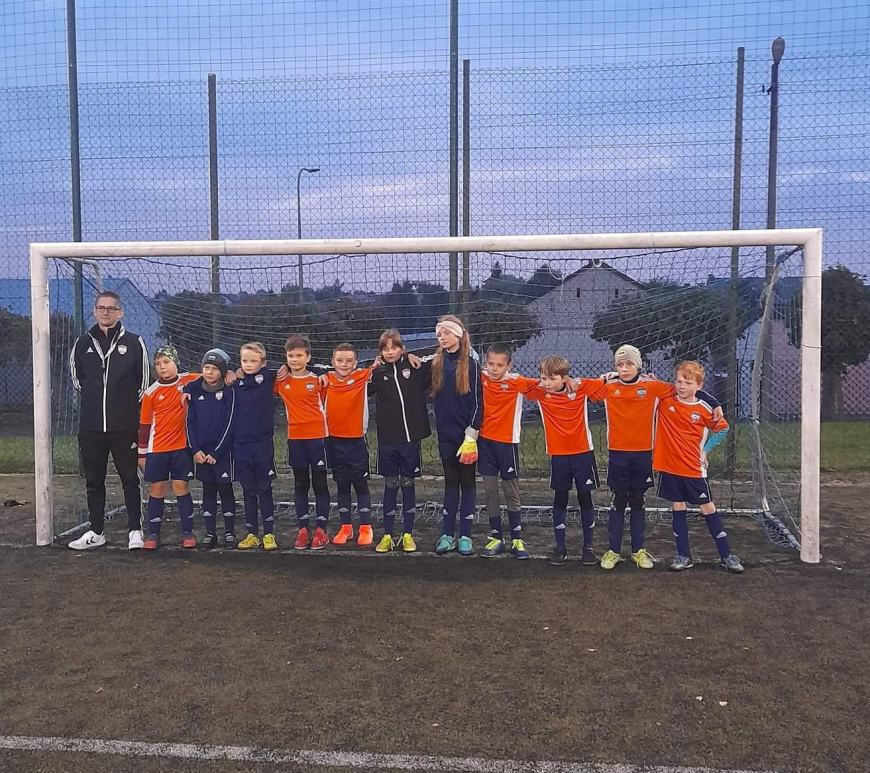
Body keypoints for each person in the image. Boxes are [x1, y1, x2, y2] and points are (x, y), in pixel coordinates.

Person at [591, 345, 721, 571]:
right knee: (618, 500)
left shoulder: (653, 387)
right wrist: (603, 378)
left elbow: (685, 389)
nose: (624, 369)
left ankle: (638, 551)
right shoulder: (609, 387)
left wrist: (714, 402)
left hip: (643, 454)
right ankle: (613, 551)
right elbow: (585, 392)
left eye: (629, 364)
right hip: (617, 454)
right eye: (619, 365)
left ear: (638, 365)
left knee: (638, 501)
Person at [68, 290, 150, 550]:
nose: (106, 312)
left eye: (111, 308)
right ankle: (96, 531)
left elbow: (143, 384)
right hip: (91, 426)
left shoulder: (135, 343)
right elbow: (78, 381)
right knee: (94, 481)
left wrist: (123, 409)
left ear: (120, 312)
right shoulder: (82, 343)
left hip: (124, 426)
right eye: (101, 308)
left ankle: (135, 530)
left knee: (130, 479)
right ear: (94, 311)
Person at [653, 360, 743, 573]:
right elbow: (650, 387)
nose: (682, 386)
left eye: (688, 383)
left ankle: (726, 555)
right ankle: (683, 555)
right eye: (679, 381)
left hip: (693, 468)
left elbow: (722, 429)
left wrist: (705, 450)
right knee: (678, 506)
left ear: (699, 386)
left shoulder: (704, 408)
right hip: (669, 467)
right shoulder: (665, 401)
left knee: (707, 507)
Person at [525, 356, 602, 567]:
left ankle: (588, 547)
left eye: (552, 378)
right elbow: (519, 384)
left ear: (564, 377)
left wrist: (576, 381)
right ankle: (560, 547)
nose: (547, 383)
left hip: (583, 453)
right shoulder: (540, 392)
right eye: (544, 378)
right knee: (560, 498)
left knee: (585, 497)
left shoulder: (579, 388)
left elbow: (601, 382)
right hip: (558, 456)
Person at [369, 329, 430, 554]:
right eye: (385, 349)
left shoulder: (414, 366)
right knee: (390, 485)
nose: (390, 352)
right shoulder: (377, 373)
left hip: (410, 440)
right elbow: (360, 387)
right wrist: (371, 370)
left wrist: (411, 356)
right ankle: (387, 535)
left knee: (407, 483)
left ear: (402, 348)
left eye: (394, 347)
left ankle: (407, 534)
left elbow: (438, 357)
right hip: (387, 440)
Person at [478, 343, 541, 560]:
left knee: (511, 491)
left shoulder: (517, 382)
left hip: (507, 443)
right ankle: (496, 536)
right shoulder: (480, 378)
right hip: (485, 443)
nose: (494, 369)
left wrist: (568, 381)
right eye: (491, 364)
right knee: (490, 491)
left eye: (499, 365)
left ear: (509, 366)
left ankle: (516, 538)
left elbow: (546, 385)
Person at [428, 315, 483, 557]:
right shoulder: (435, 363)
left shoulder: (472, 365)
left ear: (458, 334)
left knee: (467, 483)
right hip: (445, 435)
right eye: (439, 334)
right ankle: (447, 534)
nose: (442, 337)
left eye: (446, 333)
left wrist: (472, 434)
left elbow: (479, 403)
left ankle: (466, 536)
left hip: (466, 437)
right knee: (451, 483)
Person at [138, 346, 200, 550]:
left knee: (181, 486)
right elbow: (145, 425)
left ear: (176, 362)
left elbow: (212, 375)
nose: (162, 367)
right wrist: (141, 454)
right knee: (157, 488)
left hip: (182, 448)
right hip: (157, 449)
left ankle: (188, 533)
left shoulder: (189, 380)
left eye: (166, 362)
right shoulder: (151, 393)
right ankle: (153, 534)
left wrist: (230, 373)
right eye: (158, 364)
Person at [275, 334, 331, 551]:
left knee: (320, 484)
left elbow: (335, 374)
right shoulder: (281, 382)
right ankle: (303, 529)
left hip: (318, 438)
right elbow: (258, 376)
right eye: (291, 356)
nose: (295, 360)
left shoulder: (318, 379)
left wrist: (319, 371)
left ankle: (321, 530)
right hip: (295, 439)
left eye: (299, 355)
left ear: (308, 357)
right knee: (300, 484)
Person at [321, 343, 375, 547]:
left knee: (360, 484)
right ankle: (346, 527)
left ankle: (366, 527)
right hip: (334, 441)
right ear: (332, 362)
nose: (344, 364)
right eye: (340, 360)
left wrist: (408, 356)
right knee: (342, 485)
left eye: (349, 360)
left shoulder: (363, 376)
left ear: (356, 362)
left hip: (356, 442)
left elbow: (383, 363)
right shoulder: (326, 379)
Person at [184, 348, 237, 549]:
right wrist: (195, 450)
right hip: (201, 454)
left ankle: (230, 532)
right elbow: (190, 423)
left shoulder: (230, 392)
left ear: (222, 371)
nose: (209, 372)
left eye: (214, 368)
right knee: (208, 491)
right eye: (206, 367)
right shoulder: (195, 391)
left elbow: (231, 423)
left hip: (222, 454)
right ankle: (210, 533)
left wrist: (217, 452)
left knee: (225, 490)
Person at [233, 342, 279, 551]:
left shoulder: (269, 377)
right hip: (241, 445)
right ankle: (252, 533)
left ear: (263, 362)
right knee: (248, 490)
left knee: (265, 489)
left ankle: (269, 533)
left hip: (263, 444)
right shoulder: (234, 382)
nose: (248, 364)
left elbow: (294, 368)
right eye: (245, 360)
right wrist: (229, 372)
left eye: (253, 360)